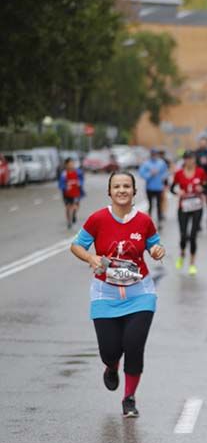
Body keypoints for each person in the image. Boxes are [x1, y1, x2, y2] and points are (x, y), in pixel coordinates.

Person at [69, 172, 165, 417]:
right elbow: (76, 245)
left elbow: (155, 244)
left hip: (140, 294)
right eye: (117, 186)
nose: (122, 190)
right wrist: (91, 257)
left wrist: (156, 251)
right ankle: (111, 367)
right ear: (109, 192)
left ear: (134, 191)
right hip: (105, 295)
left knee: (134, 346)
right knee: (109, 351)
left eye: (126, 186)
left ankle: (129, 399)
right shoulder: (98, 219)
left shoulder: (143, 221)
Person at [170, 151, 207, 275]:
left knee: (192, 236)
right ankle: (182, 254)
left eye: (192, 159)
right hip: (183, 207)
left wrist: (202, 189)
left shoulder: (200, 172)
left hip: (197, 206)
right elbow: (171, 188)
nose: (190, 161)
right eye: (187, 159)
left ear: (194, 160)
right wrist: (177, 193)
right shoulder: (179, 174)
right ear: (184, 160)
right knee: (183, 234)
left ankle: (192, 263)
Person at [138, 149, 170, 224]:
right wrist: (150, 174)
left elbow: (166, 172)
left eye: (155, 154)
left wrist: (163, 177)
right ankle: (149, 220)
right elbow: (141, 174)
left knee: (159, 204)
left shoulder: (161, 163)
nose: (154, 156)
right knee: (150, 204)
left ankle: (159, 220)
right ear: (150, 155)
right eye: (153, 154)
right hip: (150, 188)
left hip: (159, 187)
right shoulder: (146, 164)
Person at [58, 158, 85, 229]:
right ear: (66, 165)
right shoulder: (64, 174)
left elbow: (82, 180)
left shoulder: (78, 172)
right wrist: (64, 187)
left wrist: (80, 183)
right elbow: (61, 184)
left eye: (72, 163)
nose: (71, 165)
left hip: (76, 192)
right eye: (70, 164)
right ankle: (69, 221)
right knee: (67, 207)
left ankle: (73, 214)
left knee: (75, 206)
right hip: (66, 193)